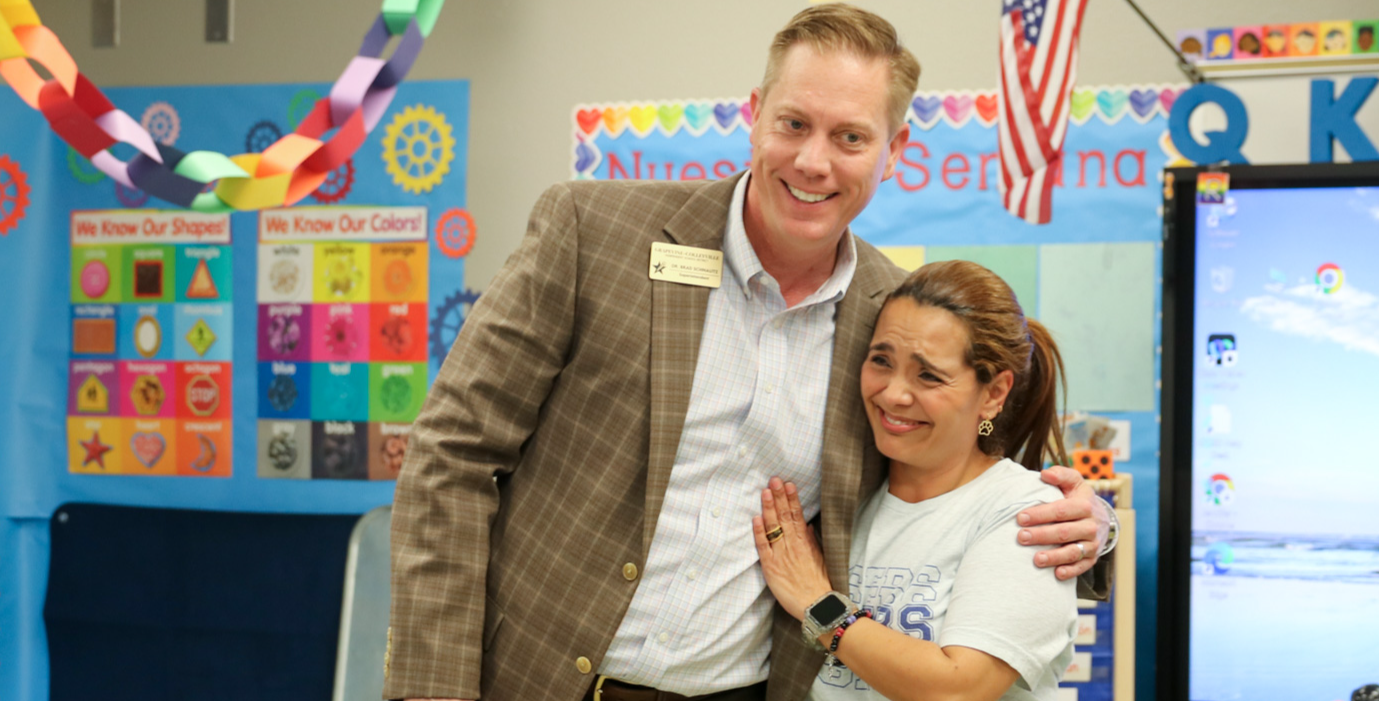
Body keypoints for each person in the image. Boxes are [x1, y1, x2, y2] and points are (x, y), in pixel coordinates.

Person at [384, 6, 1116, 701]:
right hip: (528, 679)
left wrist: (1090, 527)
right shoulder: (592, 232)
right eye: (793, 123)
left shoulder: (887, 319)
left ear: (896, 149)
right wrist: (431, 682)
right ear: (754, 112)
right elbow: (452, 452)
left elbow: (952, 478)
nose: (812, 161)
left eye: (850, 138)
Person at [754, 261, 1079, 701]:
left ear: (993, 393)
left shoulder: (1027, 513)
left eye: (928, 375)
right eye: (881, 361)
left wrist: (817, 602)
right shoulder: (843, 496)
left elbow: (959, 688)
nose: (893, 394)